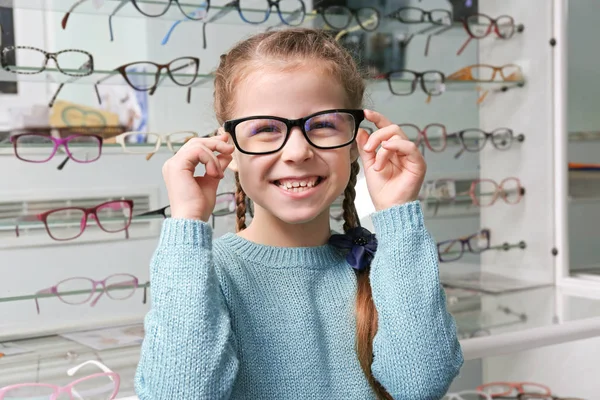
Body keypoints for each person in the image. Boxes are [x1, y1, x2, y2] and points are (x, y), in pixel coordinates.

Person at [134, 28, 463, 400]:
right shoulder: (202, 272)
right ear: (229, 151)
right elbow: (179, 394)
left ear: (357, 143)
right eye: (265, 129)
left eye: (322, 125)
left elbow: (421, 384)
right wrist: (186, 223)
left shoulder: (387, 261)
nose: (296, 152)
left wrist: (398, 214)